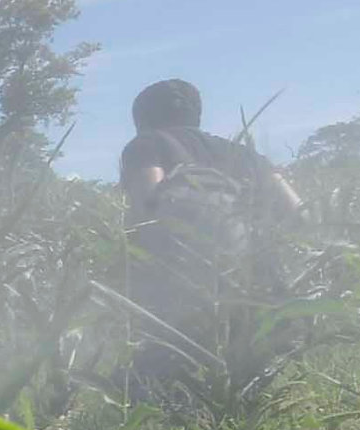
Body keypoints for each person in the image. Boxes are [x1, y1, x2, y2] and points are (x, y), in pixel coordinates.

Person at [117, 76, 303, 396]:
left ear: (142, 119)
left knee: (154, 384)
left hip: (187, 282)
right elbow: (299, 214)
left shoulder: (148, 144)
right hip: (259, 281)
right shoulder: (246, 155)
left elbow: (149, 206)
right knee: (252, 384)